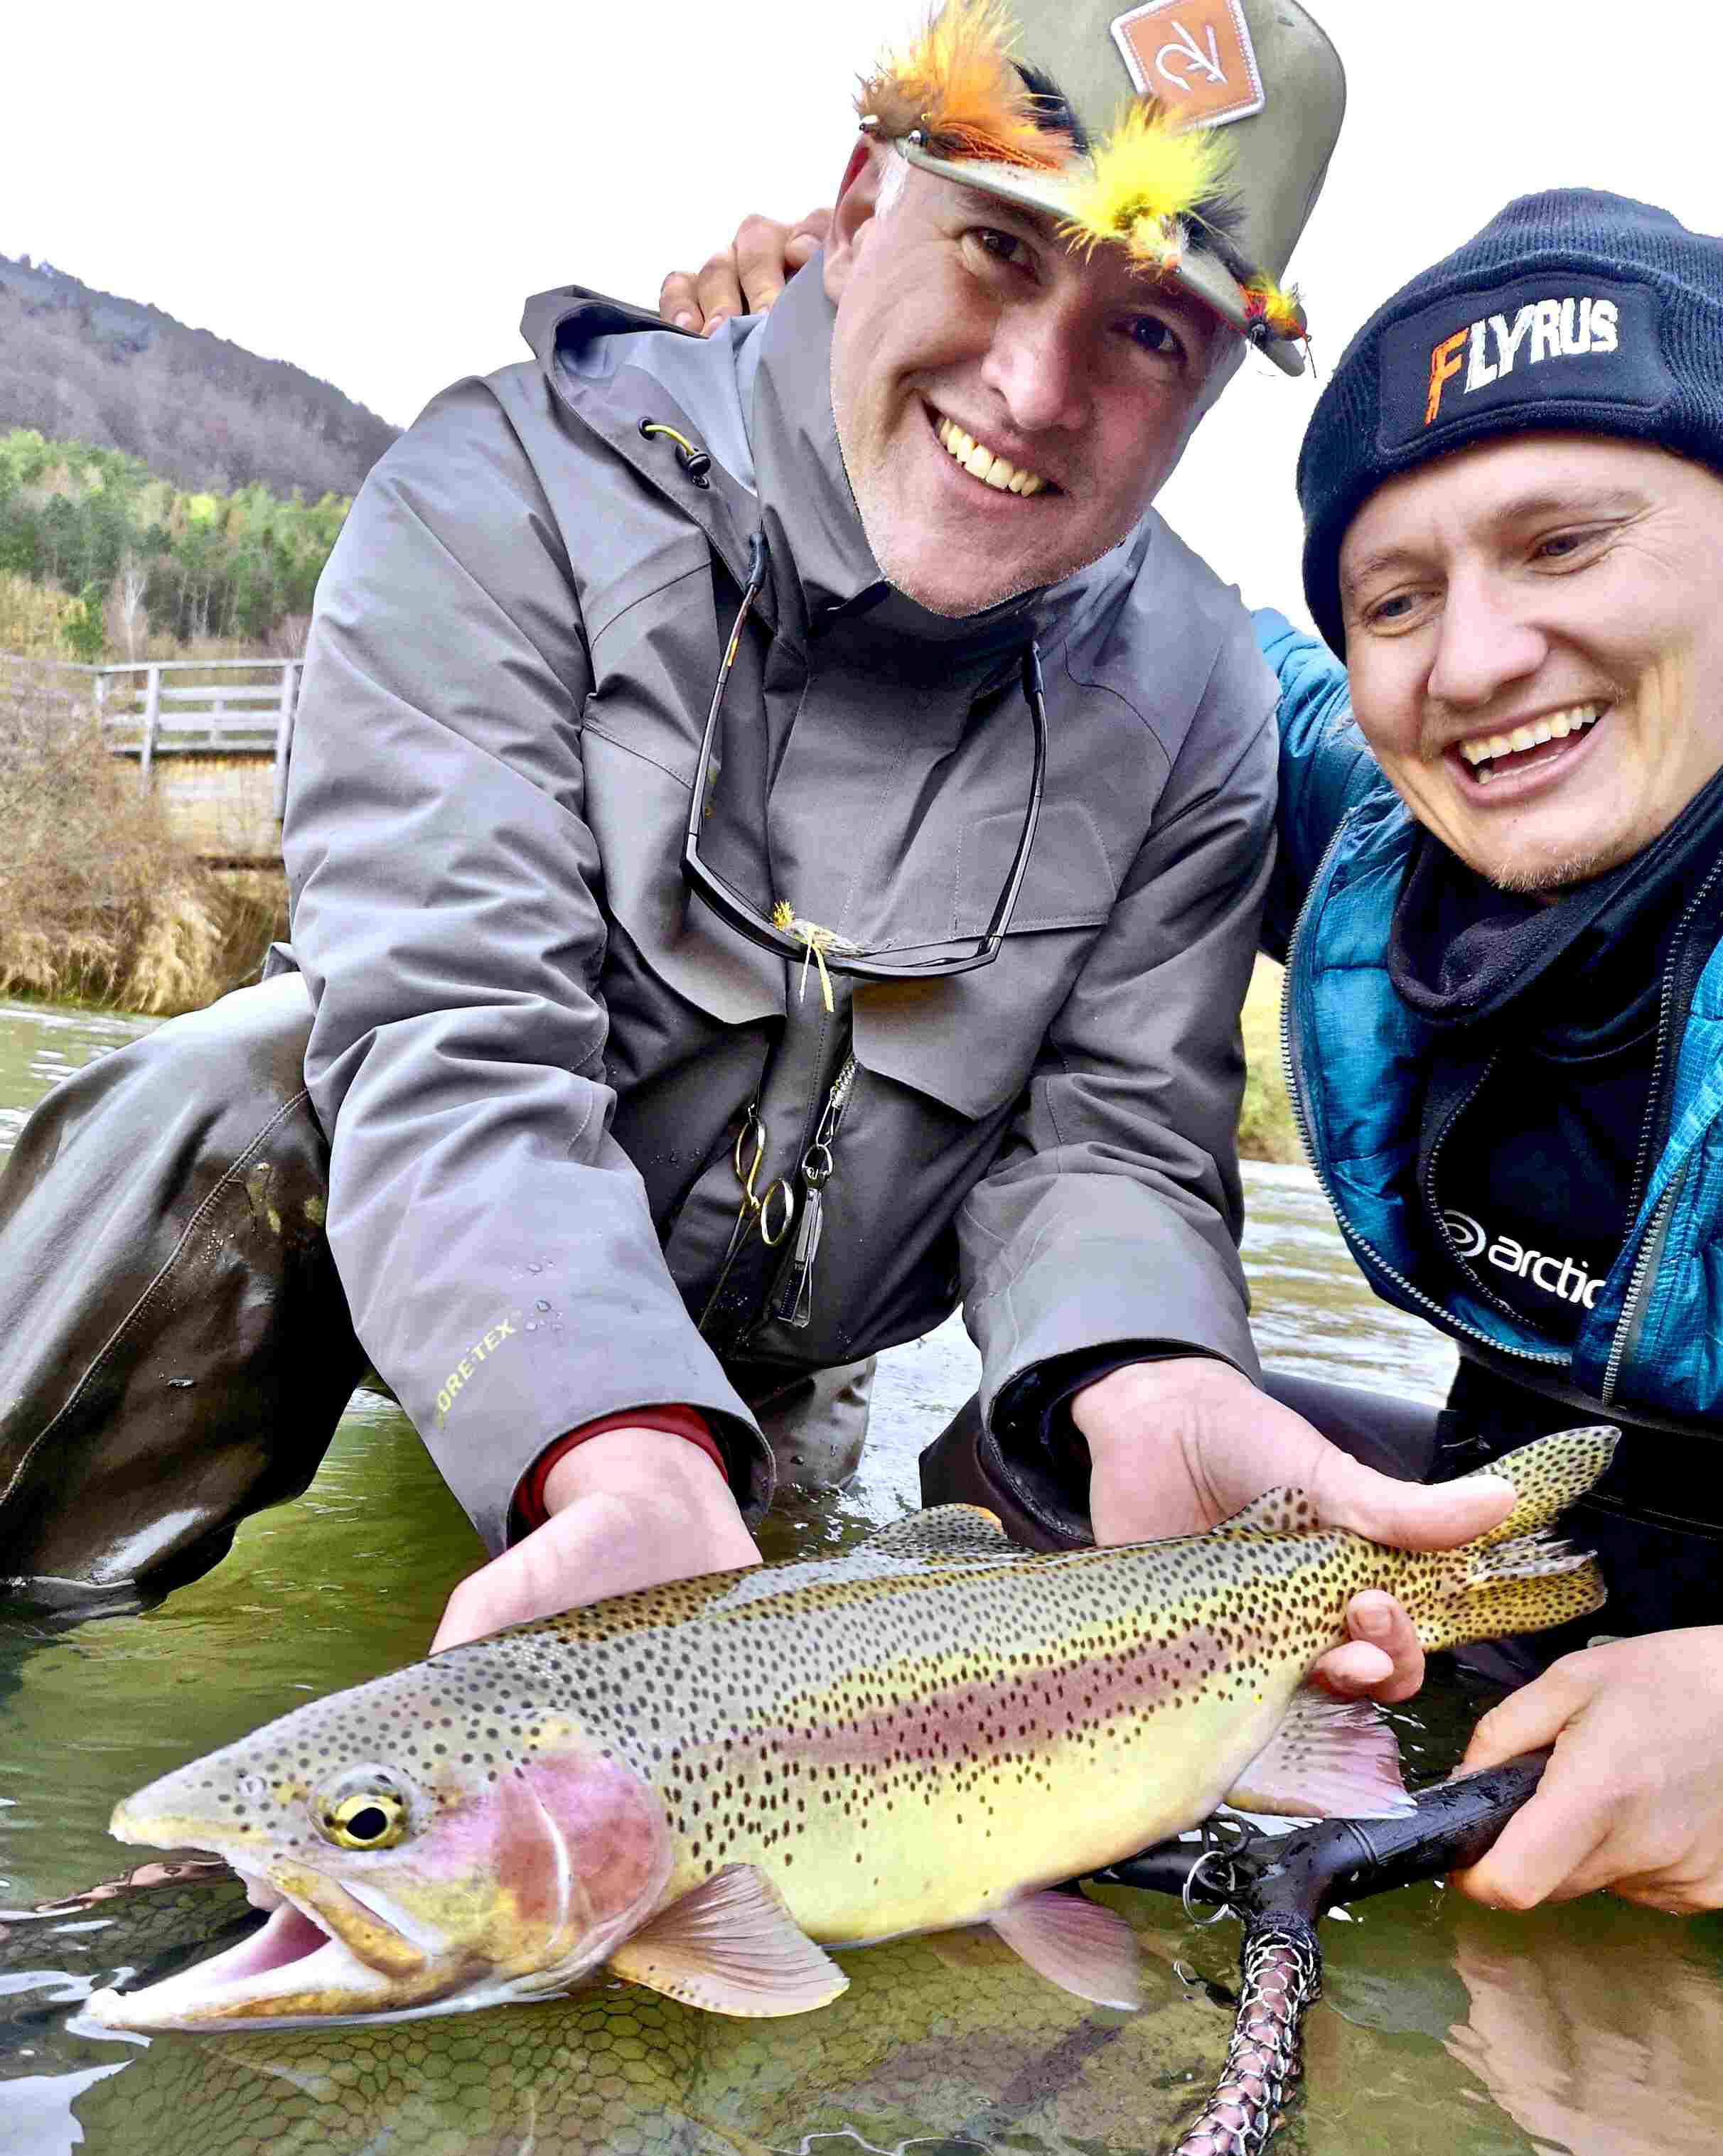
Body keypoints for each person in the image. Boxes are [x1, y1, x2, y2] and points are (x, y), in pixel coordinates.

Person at [0, 0, 1505, 1686]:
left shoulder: (1203, 691)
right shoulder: (497, 498)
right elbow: (454, 1039)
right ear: (862, 207)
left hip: (795, 1350)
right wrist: (612, 1429)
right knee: (223, 1103)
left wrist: (1155, 1375)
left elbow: (1112, 1149)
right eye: (1002, 247)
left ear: (1219, 383)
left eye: (1152, 334)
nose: (1035, 386)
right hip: (400, 1231)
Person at [682, 185, 1723, 1921]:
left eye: (1565, 545)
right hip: (1515, 1519)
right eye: (1396, 597)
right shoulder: (1361, 789)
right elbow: (1070, 581)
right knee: (1047, 1457)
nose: (1476, 661)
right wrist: (835, 372)